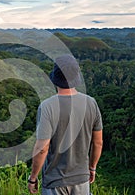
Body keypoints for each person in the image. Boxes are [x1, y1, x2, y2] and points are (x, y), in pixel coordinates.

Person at [28, 54, 103, 195]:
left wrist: (33, 178)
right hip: (81, 180)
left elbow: (43, 148)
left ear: (55, 79)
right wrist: (92, 168)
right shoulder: (91, 103)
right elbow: (98, 143)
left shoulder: (47, 107)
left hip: (54, 182)